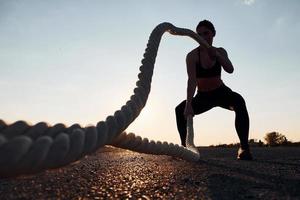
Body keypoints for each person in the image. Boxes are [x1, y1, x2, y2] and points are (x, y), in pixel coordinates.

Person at [175, 20, 253, 160]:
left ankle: (244, 148)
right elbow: (191, 81)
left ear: (213, 34)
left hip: (221, 92)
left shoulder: (221, 51)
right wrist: (188, 105)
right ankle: (185, 149)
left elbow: (230, 69)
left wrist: (216, 55)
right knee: (180, 110)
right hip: (203, 96)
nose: (202, 37)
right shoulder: (192, 56)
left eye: (206, 33)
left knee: (239, 101)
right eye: (199, 35)